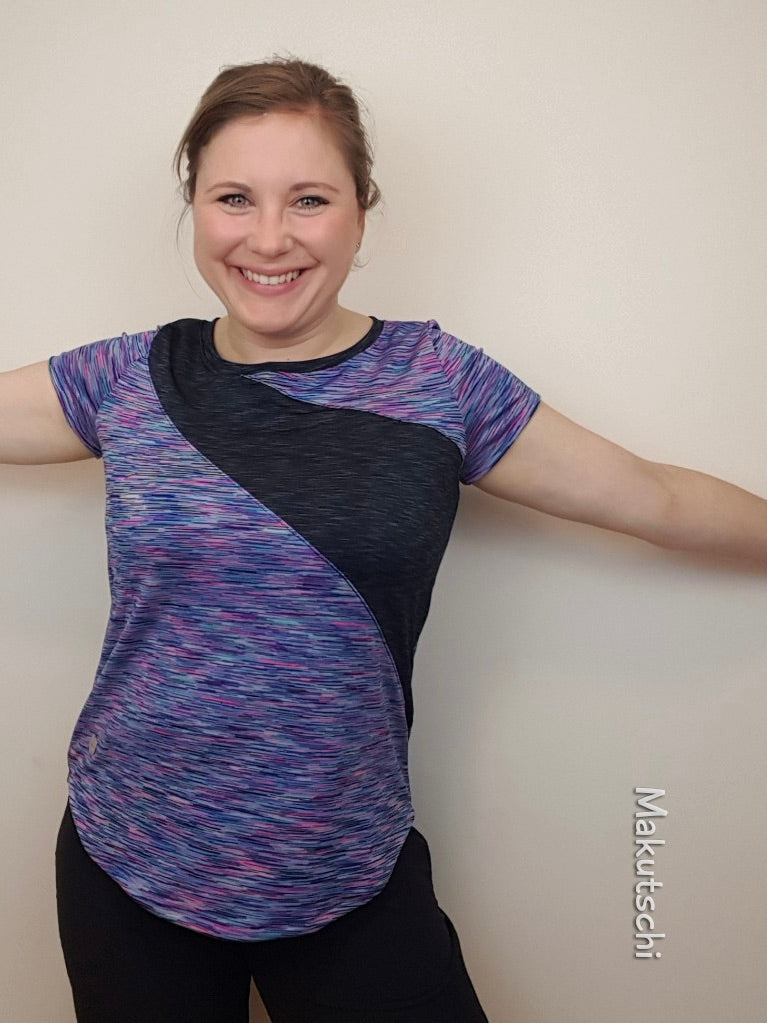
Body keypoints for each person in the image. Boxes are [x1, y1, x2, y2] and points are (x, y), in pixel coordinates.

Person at [1, 55, 765, 1023]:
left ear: (359, 212)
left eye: (309, 199)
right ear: (195, 207)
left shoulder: (440, 384)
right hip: (129, 859)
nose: (268, 237)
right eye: (234, 198)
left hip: (346, 869)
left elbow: (653, 496)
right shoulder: (128, 378)